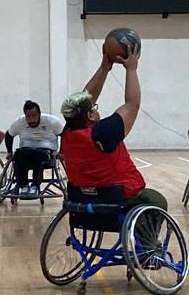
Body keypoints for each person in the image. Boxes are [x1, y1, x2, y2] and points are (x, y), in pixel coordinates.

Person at [60, 47, 168, 211]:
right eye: (94, 108)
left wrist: (104, 68)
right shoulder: (104, 133)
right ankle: (146, 237)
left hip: (81, 199)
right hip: (117, 198)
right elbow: (132, 105)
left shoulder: (67, 133)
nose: (97, 109)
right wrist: (131, 69)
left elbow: (84, 98)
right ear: (90, 116)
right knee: (156, 200)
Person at [5, 100, 63, 196]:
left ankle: (35, 185)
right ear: (25, 116)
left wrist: (62, 151)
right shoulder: (20, 122)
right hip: (26, 151)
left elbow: (64, 135)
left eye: (34, 116)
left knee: (39, 155)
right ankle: (23, 185)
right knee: (18, 154)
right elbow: (8, 135)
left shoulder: (52, 121)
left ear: (39, 114)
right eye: (28, 116)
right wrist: (9, 152)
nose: (31, 120)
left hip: (45, 151)